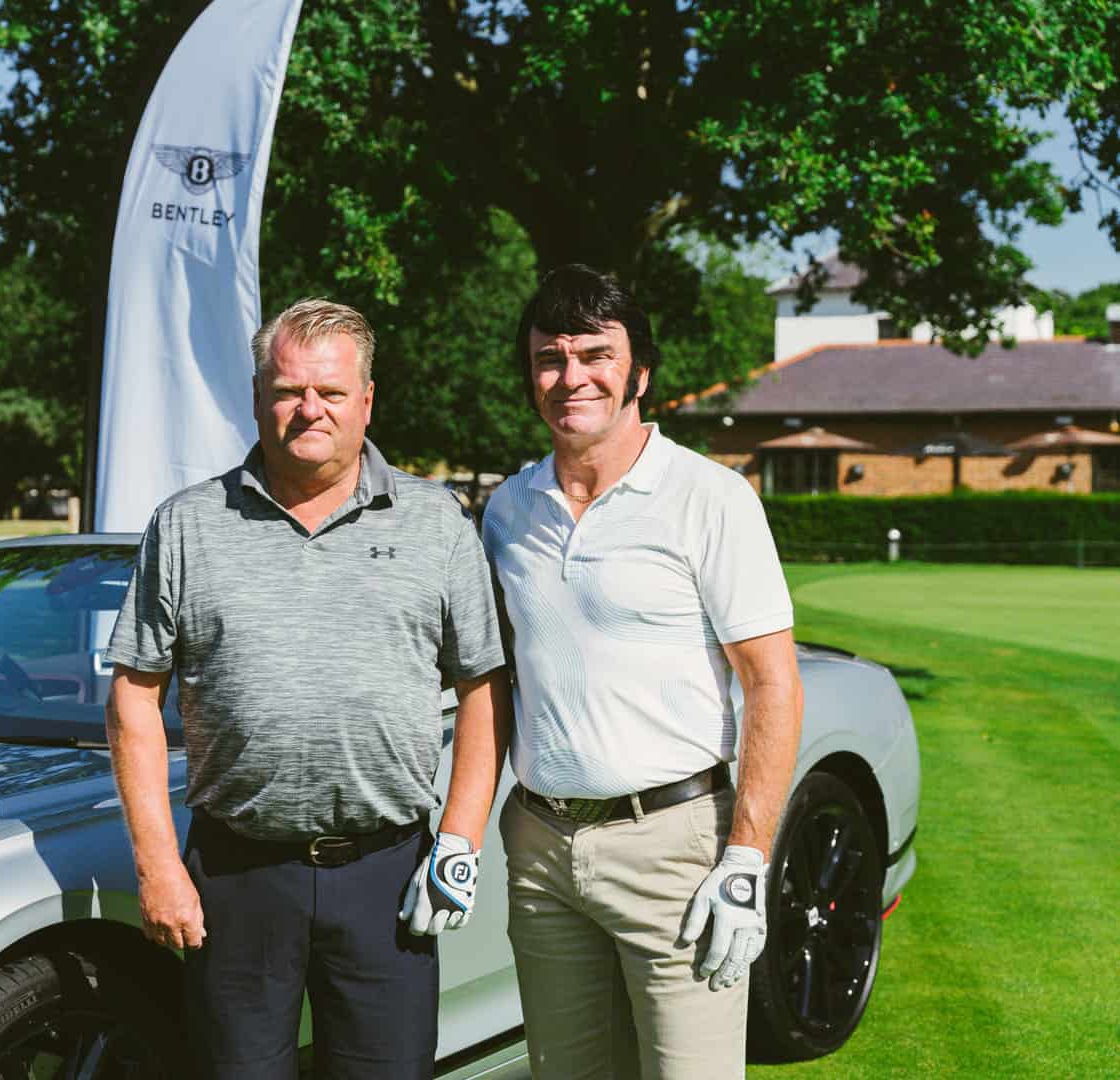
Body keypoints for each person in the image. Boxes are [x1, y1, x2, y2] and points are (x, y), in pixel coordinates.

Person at [103, 297, 512, 1079]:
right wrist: (157, 865)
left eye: (330, 391)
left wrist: (459, 842)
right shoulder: (187, 524)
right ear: (258, 396)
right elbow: (133, 696)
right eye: (289, 390)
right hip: (236, 876)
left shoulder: (435, 523)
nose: (309, 408)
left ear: (367, 400)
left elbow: (484, 687)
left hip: (388, 874)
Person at [480, 265, 804, 1079]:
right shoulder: (507, 509)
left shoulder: (710, 496)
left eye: (596, 354)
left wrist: (745, 860)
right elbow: (495, 679)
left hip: (675, 849)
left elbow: (773, 683)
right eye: (550, 358)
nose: (571, 377)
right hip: (541, 849)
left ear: (641, 374)